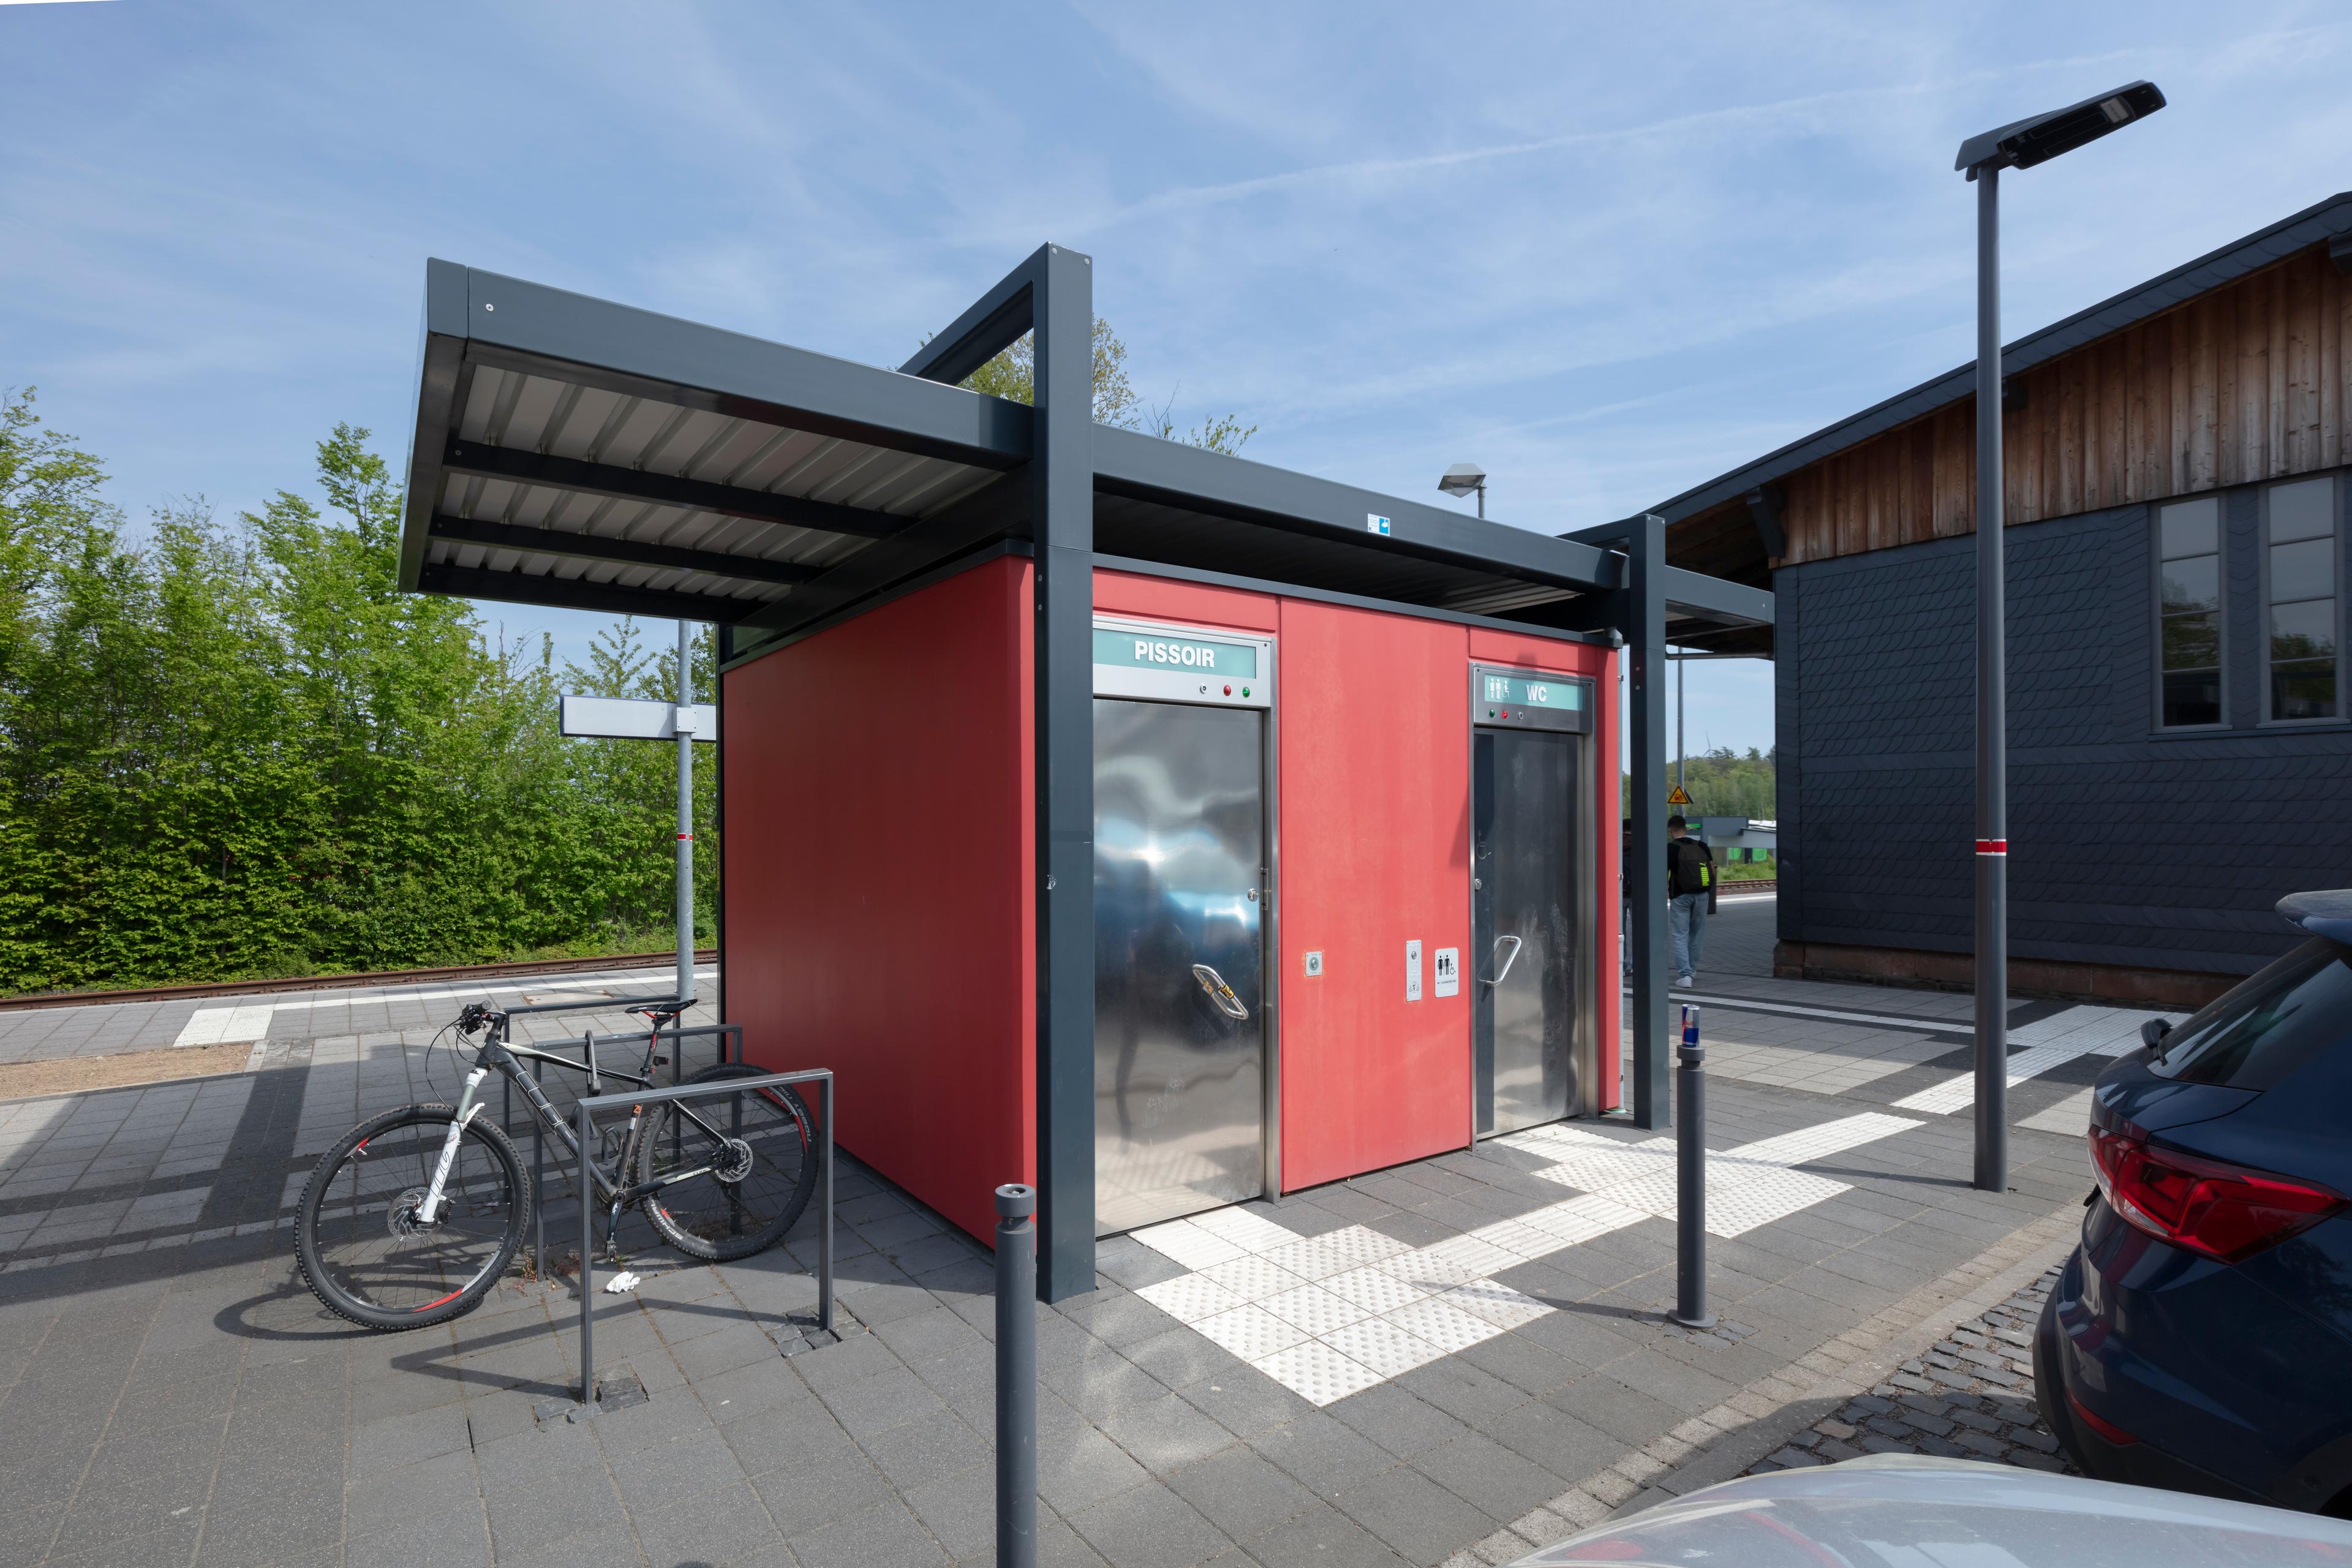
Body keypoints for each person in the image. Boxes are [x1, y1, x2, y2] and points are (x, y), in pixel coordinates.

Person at [1665, 815, 1713, 986]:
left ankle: (1685, 976)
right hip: (1702, 895)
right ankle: (1692, 971)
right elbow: (1712, 872)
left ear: (1670, 830)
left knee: (1680, 935)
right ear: (1686, 828)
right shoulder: (1702, 846)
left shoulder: (1670, 848)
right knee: (1697, 935)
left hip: (1680, 896)